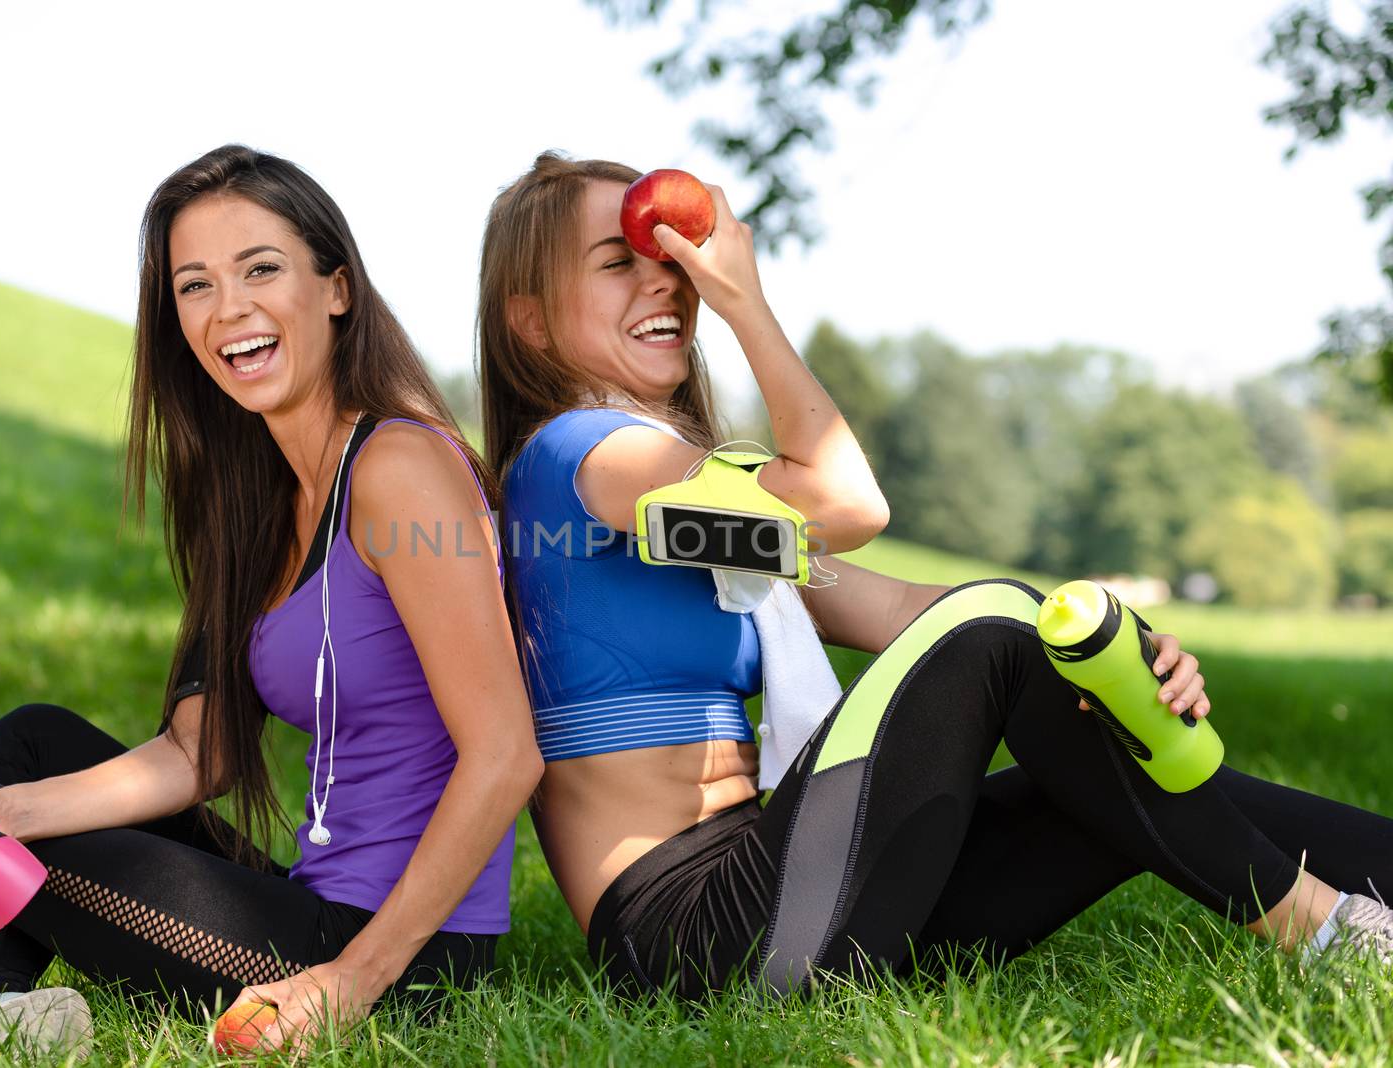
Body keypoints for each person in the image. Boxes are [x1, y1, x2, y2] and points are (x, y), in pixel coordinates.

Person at [475, 150, 1393, 1000]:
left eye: (671, 259)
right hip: (696, 934)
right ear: (532, 321)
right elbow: (848, 507)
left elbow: (901, 605)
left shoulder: (684, 515)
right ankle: (1323, 935)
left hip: (796, 889)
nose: (667, 278)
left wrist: (1123, 662)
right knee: (1002, 626)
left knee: (1091, 754)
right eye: (618, 262)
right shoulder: (585, 456)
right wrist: (747, 303)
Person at [0, 144, 541, 1060]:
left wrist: (349, 982)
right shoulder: (255, 502)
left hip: (398, 955)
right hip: (304, 904)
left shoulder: (400, 467)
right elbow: (200, 756)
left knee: (0, 841)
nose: (230, 309)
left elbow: (506, 755)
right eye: (195, 285)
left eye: (261, 269)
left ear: (336, 287)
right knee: (29, 745)